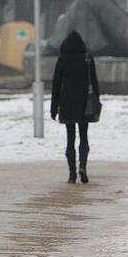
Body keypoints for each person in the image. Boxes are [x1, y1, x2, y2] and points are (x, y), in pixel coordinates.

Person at [51, 31, 100, 184]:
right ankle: (83, 168)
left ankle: (72, 173)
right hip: (85, 103)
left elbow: (56, 85)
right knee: (84, 136)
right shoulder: (87, 58)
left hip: (67, 104)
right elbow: (95, 83)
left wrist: (54, 108)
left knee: (70, 138)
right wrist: (96, 103)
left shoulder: (63, 59)